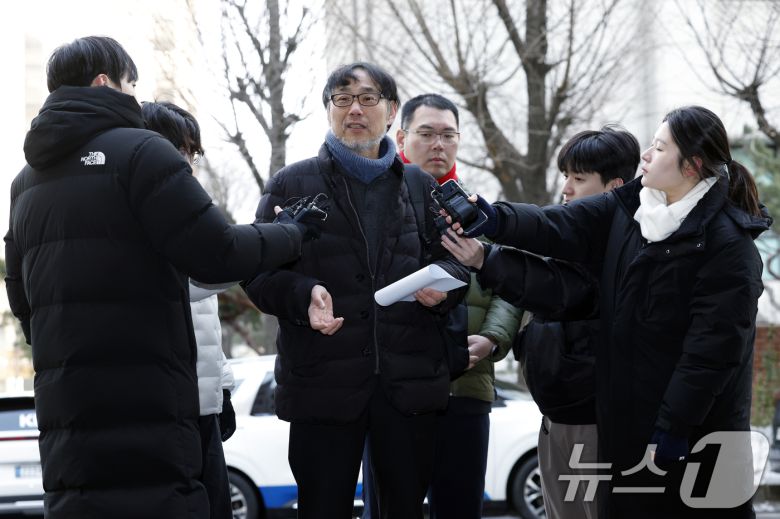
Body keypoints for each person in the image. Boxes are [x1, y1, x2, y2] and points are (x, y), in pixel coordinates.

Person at [3, 36, 311, 519]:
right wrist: (291, 232)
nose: (135, 96)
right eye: (131, 84)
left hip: (68, 411)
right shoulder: (142, 151)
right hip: (150, 399)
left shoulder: (25, 182)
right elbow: (217, 253)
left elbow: (21, 298)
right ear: (104, 82)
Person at [442, 105, 770, 518]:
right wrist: (494, 220)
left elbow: (712, 352)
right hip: (630, 427)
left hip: (696, 437)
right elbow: (557, 225)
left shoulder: (728, 245)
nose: (646, 155)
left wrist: (674, 427)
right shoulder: (631, 210)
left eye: (659, 148)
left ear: (691, 166)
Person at [242, 63, 470, 518]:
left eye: (368, 99)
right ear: (329, 109)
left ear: (391, 110)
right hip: (322, 383)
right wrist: (304, 295)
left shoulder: (422, 186)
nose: (355, 110)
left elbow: (457, 260)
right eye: (342, 99)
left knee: (405, 507)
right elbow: (257, 272)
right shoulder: (291, 183)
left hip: (407, 383)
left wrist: (442, 290)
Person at [397, 93, 524, 518]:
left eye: (448, 135)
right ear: (402, 139)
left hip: (467, 383)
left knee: (461, 507)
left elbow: (510, 286)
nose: (439, 144)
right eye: (427, 133)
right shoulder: (383, 209)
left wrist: (492, 338)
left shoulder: (482, 213)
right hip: (395, 390)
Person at [515, 126, 639, 519]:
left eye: (579, 178)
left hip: (594, 420)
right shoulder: (567, 237)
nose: (566, 189)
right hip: (554, 416)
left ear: (615, 188)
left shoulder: (624, 248)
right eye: (566, 176)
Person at [142, 100, 237, 519]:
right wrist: (256, 252)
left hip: (204, 404)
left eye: (190, 152)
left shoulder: (189, 208)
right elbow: (185, 286)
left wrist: (224, 387)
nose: (186, 161)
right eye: (177, 149)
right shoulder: (141, 209)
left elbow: (206, 320)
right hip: (165, 408)